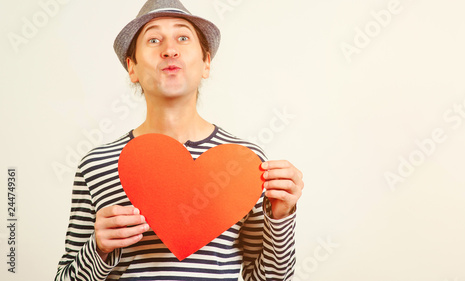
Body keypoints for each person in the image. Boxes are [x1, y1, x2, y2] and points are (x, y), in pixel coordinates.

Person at [55, 0, 304, 280]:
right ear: (132, 68)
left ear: (206, 63)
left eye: (183, 37)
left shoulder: (246, 163)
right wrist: (98, 249)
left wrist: (281, 217)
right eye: (153, 39)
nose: (170, 49)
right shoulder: (96, 164)